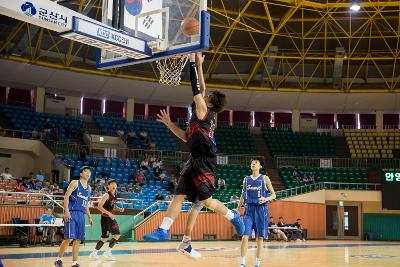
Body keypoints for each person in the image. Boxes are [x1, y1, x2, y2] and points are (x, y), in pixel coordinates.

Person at [143, 52, 244, 259]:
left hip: (206, 162)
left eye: (206, 98)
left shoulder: (203, 111)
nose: (202, 96)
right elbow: (186, 137)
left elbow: (197, 88)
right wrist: (199, 63)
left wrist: (191, 61)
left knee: (206, 202)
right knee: (178, 196)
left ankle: (233, 216)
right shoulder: (201, 115)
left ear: (209, 103)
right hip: (193, 160)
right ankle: (163, 229)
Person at [237, 159, 276, 267]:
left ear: (260, 166)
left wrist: (266, 198)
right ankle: (242, 262)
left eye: (256, 162)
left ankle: (257, 263)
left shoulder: (264, 178)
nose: (253, 164)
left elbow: (274, 195)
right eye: (252, 162)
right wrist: (238, 208)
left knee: (259, 238)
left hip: (261, 210)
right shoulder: (246, 179)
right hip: (249, 210)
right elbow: (242, 195)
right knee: (245, 236)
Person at [54, 166, 93, 267]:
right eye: (85, 171)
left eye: (89, 172)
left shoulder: (89, 188)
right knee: (69, 238)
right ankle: (58, 259)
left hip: (81, 215)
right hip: (71, 212)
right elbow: (66, 196)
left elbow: (86, 204)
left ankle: (74, 262)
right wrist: (66, 211)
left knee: (78, 239)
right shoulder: (75, 183)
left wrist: (89, 216)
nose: (88, 173)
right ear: (81, 174)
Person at [90, 180, 124, 261]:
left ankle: (108, 252)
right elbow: (99, 206)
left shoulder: (114, 195)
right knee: (104, 238)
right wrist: (109, 213)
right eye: (112, 184)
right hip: (105, 219)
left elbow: (113, 206)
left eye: (115, 184)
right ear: (108, 186)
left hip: (112, 219)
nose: (114, 185)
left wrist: (119, 209)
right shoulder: (106, 195)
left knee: (117, 234)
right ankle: (94, 253)